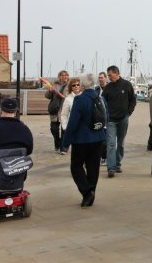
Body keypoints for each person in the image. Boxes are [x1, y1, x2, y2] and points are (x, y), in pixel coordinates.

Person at [62, 73, 107, 207]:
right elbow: (106, 117)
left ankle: (87, 192)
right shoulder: (100, 98)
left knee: (76, 167)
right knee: (93, 167)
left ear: (82, 85)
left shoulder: (80, 100)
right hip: (98, 138)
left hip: (82, 140)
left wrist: (65, 143)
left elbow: (72, 124)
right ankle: (90, 193)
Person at [102, 65, 136, 178]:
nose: (109, 77)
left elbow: (133, 100)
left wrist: (129, 113)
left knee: (120, 143)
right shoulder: (107, 88)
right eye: (108, 76)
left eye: (110, 75)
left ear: (116, 73)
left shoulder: (126, 85)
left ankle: (117, 163)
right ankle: (111, 168)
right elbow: (102, 103)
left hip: (123, 119)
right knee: (111, 144)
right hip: (111, 120)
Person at [45, 70, 69, 153]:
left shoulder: (70, 85)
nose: (64, 77)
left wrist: (63, 95)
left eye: (66, 75)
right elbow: (47, 96)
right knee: (54, 129)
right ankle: (57, 142)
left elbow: (73, 96)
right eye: (62, 75)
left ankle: (63, 148)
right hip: (55, 110)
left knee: (64, 130)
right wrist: (50, 91)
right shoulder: (54, 85)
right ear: (59, 76)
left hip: (65, 110)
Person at [60, 77, 82, 155]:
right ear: (71, 87)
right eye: (74, 85)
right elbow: (64, 114)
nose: (76, 86)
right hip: (72, 125)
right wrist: (65, 126)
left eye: (78, 85)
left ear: (80, 86)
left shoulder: (85, 97)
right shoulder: (68, 99)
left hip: (83, 126)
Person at [95, 71, 108, 165]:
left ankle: (105, 157)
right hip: (99, 117)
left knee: (107, 141)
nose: (100, 79)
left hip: (108, 118)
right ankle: (101, 157)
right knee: (100, 140)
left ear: (106, 78)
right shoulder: (96, 89)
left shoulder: (110, 88)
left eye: (102, 77)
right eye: (99, 78)